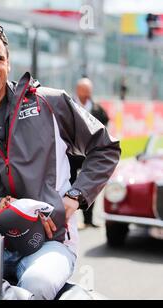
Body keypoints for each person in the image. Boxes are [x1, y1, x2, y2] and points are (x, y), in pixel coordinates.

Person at [0, 23, 121, 300]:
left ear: (8, 62)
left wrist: (74, 197)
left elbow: (105, 147)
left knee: (38, 283)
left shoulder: (50, 102)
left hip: (50, 242)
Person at [69, 77, 110, 228]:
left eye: (88, 91)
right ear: (77, 90)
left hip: (90, 154)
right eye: (83, 91)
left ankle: (88, 219)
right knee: (69, 185)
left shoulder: (97, 109)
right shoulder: (68, 105)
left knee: (90, 186)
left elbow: (105, 128)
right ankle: (70, 219)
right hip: (71, 154)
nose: (86, 94)